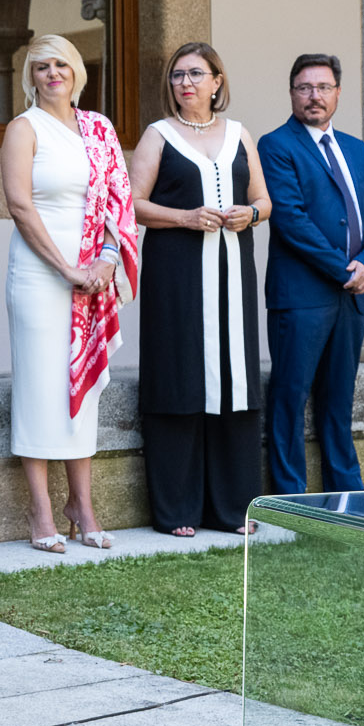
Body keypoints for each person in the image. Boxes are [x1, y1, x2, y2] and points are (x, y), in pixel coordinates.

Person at [1, 34, 138, 553]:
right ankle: (41, 509)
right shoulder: (23, 128)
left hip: (92, 274)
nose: (52, 72)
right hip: (40, 273)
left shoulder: (99, 129)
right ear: (29, 76)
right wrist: (67, 268)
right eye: (41, 66)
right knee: (39, 386)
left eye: (61, 63)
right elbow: (19, 206)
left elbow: (119, 205)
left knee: (84, 392)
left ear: (77, 70)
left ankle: (81, 504)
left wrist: (105, 259)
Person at [132, 41, 269, 536]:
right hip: (177, 274)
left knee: (234, 380)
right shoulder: (157, 135)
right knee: (181, 375)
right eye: (176, 75)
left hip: (233, 271)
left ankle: (233, 509)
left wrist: (248, 213)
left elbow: (263, 201)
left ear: (217, 81)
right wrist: (186, 217)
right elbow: (133, 205)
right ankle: (177, 510)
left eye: (195, 74)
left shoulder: (239, 134)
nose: (184, 83)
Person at [257, 53, 364, 495]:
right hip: (303, 295)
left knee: (339, 399)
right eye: (305, 88)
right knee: (290, 397)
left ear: (338, 93)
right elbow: (290, 218)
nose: (314, 96)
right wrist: (342, 268)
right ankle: (291, 496)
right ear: (292, 93)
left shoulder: (354, 147)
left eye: (324, 87)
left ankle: (346, 491)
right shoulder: (275, 145)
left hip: (352, 295)